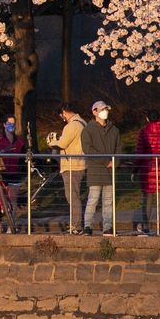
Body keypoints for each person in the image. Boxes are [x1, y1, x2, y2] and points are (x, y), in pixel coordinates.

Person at [81, 100, 121, 236]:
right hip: (95, 170)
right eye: (102, 109)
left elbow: (119, 149)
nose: (105, 112)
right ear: (94, 112)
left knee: (108, 202)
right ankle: (87, 225)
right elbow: (88, 149)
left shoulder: (114, 130)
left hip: (110, 171)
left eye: (106, 109)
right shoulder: (88, 130)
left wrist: (115, 162)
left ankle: (108, 226)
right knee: (93, 200)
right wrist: (106, 161)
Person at [47, 105, 87, 234]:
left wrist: (52, 142)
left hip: (72, 166)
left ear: (64, 112)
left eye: (61, 115)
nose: (61, 118)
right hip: (79, 164)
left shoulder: (72, 125)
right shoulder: (82, 123)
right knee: (74, 195)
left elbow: (63, 144)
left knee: (72, 197)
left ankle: (76, 226)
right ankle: (75, 224)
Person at [135, 111, 160, 237]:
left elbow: (140, 152)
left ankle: (146, 226)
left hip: (148, 168)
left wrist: (135, 169)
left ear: (147, 119)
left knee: (147, 199)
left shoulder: (144, 132)